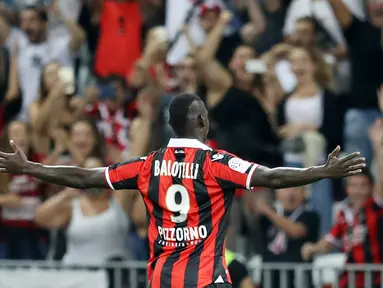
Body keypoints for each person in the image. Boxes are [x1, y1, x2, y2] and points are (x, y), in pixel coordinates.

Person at [0, 93, 366, 288]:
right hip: (206, 279)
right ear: (202, 121)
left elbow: (85, 178)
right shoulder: (216, 163)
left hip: (162, 281)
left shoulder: (147, 165)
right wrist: (320, 171)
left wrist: (30, 167)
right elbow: (271, 177)